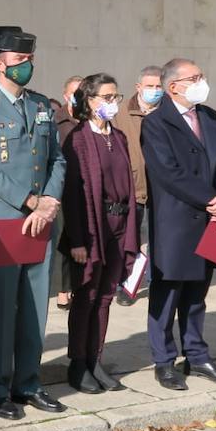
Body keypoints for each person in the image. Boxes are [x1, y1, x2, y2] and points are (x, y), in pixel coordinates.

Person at [0, 26, 67, 420]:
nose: (27, 66)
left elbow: (57, 158)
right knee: (0, 311)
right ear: (0, 62)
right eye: (20, 61)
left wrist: (50, 201)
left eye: (30, 60)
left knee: (35, 308)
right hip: (6, 222)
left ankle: (28, 382)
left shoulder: (41, 106)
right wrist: (31, 200)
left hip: (41, 221)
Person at [140, 58, 216, 391]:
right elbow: (168, 172)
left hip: (214, 219)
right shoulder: (156, 123)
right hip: (177, 222)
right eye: (194, 77)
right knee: (167, 295)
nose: (202, 81)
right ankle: (164, 361)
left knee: (198, 294)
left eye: (202, 75)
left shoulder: (210, 116)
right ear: (173, 87)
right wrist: (211, 200)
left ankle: (197, 356)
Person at [60, 73, 139, 394]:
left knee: (105, 296)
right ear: (89, 101)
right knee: (86, 297)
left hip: (118, 224)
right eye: (106, 97)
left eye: (115, 97)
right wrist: (77, 239)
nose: (112, 103)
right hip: (91, 226)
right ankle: (78, 363)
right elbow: (72, 194)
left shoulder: (118, 137)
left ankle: (96, 359)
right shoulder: (77, 139)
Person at [110, 65, 164, 306]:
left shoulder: (169, 113)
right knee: (130, 241)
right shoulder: (121, 112)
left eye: (158, 86)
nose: (154, 90)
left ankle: (157, 285)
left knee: (159, 242)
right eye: (150, 86)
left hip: (162, 191)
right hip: (133, 188)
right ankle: (127, 285)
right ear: (138, 87)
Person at [50, 75, 83, 311]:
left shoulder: (90, 120)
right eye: (74, 92)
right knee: (64, 240)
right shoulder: (55, 122)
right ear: (65, 95)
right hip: (62, 189)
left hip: (86, 190)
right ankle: (63, 290)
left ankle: (80, 285)